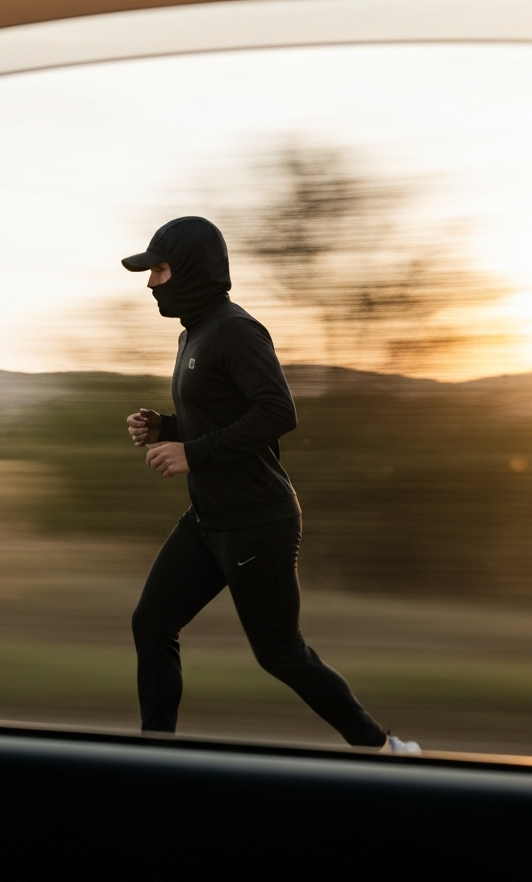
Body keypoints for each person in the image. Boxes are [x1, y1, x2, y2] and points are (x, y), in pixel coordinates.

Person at [122, 216, 419, 754]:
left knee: (279, 651)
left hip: (258, 520)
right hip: (209, 519)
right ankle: (154, 756)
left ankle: (383, 749)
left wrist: (192, 452)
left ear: (189, 270)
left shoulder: (235, 329)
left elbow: (278, 412)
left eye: (159, 270)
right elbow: (221, 415)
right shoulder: (194, 333)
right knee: (152, 621)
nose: (150, 284)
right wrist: (166, 426)